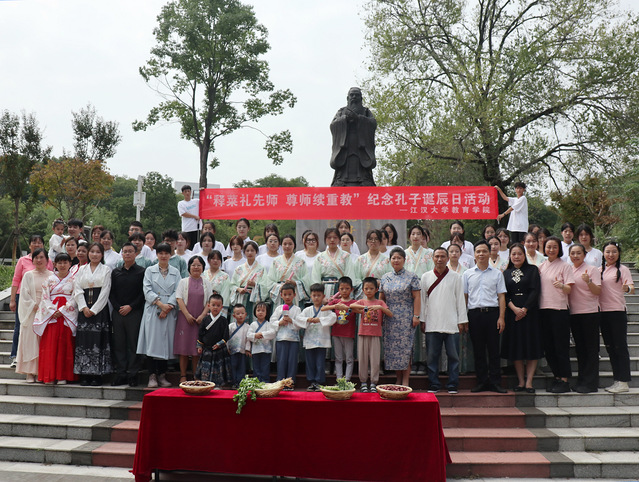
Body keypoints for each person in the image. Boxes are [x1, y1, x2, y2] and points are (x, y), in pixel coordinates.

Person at [419, 247, 467, 394]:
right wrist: (422, 320)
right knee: (432, 356)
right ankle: (434, 384)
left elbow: (460, 300)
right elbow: (422, 301)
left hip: (452, 322)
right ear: (433, 258)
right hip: (432, 322)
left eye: (442, 256)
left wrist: (462, 320)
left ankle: (453, 384)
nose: (439, 259)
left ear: (447, 258)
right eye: (437, 256)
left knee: (453, 356)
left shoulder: (456, 277)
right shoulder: (425, 277)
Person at [463, 240, 507, 393]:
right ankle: (481, 381)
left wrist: (501, 317)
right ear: (474, 254)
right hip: (474, 315)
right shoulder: (467, 274)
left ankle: (495, 382)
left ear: (489, 253)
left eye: (484, 251)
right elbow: (465, 297)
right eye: (478, 251)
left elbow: (501, 297)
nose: (481, 254)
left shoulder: (497, 273)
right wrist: (464, 319)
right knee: (478, 350)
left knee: (494, 350)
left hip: (492, 314)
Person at [137, 243, 181, 388]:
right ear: (156, 254)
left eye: (166, 253)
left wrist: (168, 307)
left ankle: (162, 375)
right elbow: (147, 290)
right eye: (160, 253)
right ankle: (152, 375)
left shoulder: (175, 272)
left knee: (165, 343)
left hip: (169, 310)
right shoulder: (150, 271)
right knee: (152, 343)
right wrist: (161, 305)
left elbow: (177, 290)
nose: (163, 256)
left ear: (170, 254)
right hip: (153, 309)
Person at [500, 243, 542, 393]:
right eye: (513, 254)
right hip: (512, 314)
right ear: (510, 256)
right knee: (516, 347)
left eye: (519, 254)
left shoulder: (533, 270)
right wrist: (514, 309)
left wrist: (524, 309)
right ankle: (521, 381)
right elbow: (504, 294)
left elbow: (535, 290)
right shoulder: (506, 273)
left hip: (530, 313)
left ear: (524, 255)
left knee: (531, 346)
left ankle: (529, 382)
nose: (516, 257)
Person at [9, 235, 54, 369]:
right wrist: (12, 300)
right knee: (20, 326)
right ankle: (15, 356)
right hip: (24, 298)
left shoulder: (48, 261)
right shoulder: (23, 260)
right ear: (29, 245)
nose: (37, 244)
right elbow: (16, 280)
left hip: (44, 303)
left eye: (39, 242)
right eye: (34, 242)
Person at [32, 252, 77, 384]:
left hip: (67, 314)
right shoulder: (49, 280)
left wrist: (63, 310)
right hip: (51, 314)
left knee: (65, 344)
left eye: (65, 262)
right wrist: (52, 310)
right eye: (59, 263)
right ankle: (50, 375)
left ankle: (63, 375)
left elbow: (75, 297)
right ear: (55, 264)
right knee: (50, 344)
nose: (62, 265)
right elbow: (45, 297)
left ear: (70, 264)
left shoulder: (74, 280)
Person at [379, 248, 421, 387]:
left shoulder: (412, 276)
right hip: (389, 318)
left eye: (399, 258)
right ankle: (398, 378)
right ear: (390, 260)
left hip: (406, 317)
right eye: (393, 258)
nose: (396, 260)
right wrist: (381, 316)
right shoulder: (385, 277)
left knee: (405, 348)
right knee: (393, 350)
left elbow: (417, 297)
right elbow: (381, 298)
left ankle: (406, 380)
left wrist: (416, 316)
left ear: (404, 260)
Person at [73, 243, 113, 386]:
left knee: (98, 340)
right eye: (92, 252)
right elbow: (77, 289)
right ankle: (84, 374)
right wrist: (84, 307)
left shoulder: (106, 270)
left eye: (98, 252)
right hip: (84, 308)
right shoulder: (81, 269)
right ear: (88, 253)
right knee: (84, 341)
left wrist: (94, 309)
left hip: (100, 310)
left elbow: (105, 291)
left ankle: (97, 374)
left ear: (102, 254)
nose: (95, 254)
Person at [539, 236, 575, 393]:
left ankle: (565, 379)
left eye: (554, 247)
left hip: (559, 310)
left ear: (559, 249)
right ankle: (557, 377)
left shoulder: (565, 266)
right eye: (548, 247)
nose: (551, 250)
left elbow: (569, 289)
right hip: (543, 309)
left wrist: (561, 285)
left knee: (561, 346)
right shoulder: (540, 266)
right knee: (548, 347)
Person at [599, 241, 635, 393]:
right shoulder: (599, 270)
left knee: (620, 347)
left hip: (617, 312)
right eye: (608, 251)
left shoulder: (623, 269)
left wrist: (627, 288)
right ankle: (617, 380)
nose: (611, 254)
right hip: (602, 312)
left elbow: (632, 289)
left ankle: (624, 382)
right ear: (603, 254)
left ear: (619, 253)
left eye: (614, 251)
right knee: (610, 347)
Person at [110, 242, 146, 387]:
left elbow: (142, 293)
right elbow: (111, 293)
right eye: (125, 251)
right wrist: (118, 307)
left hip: (134, 312)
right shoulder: (115, 272)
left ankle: (133, 374)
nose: (127, 254)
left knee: (133, 343)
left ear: (136, 254)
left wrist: (131, 307)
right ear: (122, 254)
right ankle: (121, 373)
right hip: (118, 312)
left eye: (130, 251)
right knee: (119, 344)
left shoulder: (142, 272)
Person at [15, 248, 53, 382]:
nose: (39, 260)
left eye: (42, 257)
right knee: (30, 341)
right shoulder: (28, 275)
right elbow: (24, 294)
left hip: (46, 313)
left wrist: (46, 307)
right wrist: (33, 305)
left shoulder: (52, 275)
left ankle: (41, 372)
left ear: (47, 260)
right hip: (31, 311)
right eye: (36, 258)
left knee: (43, 342)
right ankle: (30, 372)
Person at [568, 244, 601, 393]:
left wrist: (589, 281)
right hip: (574, 313)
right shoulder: (569, 270)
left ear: (584, 255)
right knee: (580, 349)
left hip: (590, 313)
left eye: (578, 253)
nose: (575, 256)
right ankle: (582, 380)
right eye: (573, 253)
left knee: (591, 348)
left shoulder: (592, 269)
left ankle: (591, 383)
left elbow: (598, 291)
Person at [329, 87, 377, 187]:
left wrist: (359, 118)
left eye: (357, 95)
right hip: (345, 146)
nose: (354, 97)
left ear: (361, 98)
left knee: (362, 169)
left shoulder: (366, 111)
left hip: (361, 147)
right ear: (348, 98)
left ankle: (364, 178)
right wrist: (345, 119)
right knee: (344, 166)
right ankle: (341, 179)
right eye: (352, 95)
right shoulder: (342, 111)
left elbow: (372, 124)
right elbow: (333, 125)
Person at [175, 255, 211, 384]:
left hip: (200, 320)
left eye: (199, 265)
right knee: (184, 348)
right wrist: (187, 315)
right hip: (185, 319)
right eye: (193, 265)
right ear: (189, 267)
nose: (196, 267)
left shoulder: (207, 283)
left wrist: (202, 316)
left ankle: (196, 376)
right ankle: (183, 375)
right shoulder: (183, 282)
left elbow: (209, 301)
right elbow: (179, 298)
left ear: (203, 267)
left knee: (197, 349)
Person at [350, 277, 391, 392]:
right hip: (362, 334)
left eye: (371, 288)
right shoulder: (362, 302)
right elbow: (352, 306)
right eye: (366, 288)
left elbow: (390, 313)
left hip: (375, 334)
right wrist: (364, 308)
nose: (368, 291)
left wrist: (380, 307)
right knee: (362, 359)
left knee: (375, 359)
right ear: (363, 290)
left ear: (377, 289)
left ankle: (373, 382)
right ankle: (363, 382)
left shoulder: (380, 302)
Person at [295, 284, 337, 391]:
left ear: (323, 296)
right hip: (310, 341)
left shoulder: (326, 309)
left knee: (320, 362)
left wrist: (320, 320)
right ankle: (311, 381)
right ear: (311, 296)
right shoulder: (307, 310)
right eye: (314, 295)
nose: (316, 298)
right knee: (310, 363)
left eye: (319, 295)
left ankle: (319, 381)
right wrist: (307, 319)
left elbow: (333, 318)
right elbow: (298, 319)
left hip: (321, 341)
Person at [260, 235, 309, 307]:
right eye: (285, 244)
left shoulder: (301, 262)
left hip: (295, 293)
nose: (287, 246)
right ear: (281, 245)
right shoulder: (276, 261)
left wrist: (295, 283)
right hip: (280, 293)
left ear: (294, 245)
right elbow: (269, 280)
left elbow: (306, 279)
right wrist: (279, 287)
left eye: (290, 244)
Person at [324, 277, 358, 381]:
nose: (344, 291)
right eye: (342, 289)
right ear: (338, 290)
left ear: (351, 289)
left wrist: (348, 308)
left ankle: (347, 380)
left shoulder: (354, 302)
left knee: (349, 358)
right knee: (338, 358)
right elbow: (323, 308)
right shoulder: (336, 302)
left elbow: (361, 310)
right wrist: (335, 306)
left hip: (348, 334)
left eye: (347, 288)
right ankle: (339, 380)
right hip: (336, 333)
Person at [270, 282, 302, 387]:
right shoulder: (279, 309)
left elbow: (300, 324)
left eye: (290, 294)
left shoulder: (297, 309)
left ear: (294, 295)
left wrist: (291, 320)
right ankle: (281, 382)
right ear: (281, 295)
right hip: (281, 339)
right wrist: (280, 322)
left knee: (292, 362)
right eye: (285, 294)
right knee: (281, 361)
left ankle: (290, 383)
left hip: (293, 340)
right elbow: (272, 321)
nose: (287, 297)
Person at [196, 294, 232, 387]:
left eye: (218, 305)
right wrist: (199, 346)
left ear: (221, 307)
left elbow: (226, 335)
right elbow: (200, 333)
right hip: (207, 349)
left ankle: (218, 385)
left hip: (219, 349)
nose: (215, 307)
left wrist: (219, 344)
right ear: (209, 306)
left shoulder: (223, 320)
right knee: (206, 369)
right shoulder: (205, 320)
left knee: (218, 369)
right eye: (213, 305)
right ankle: (205, 384)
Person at [312, 228, 354, 298]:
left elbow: (349, 274)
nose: (332, 240)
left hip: (341, 290)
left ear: (339, 239)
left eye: (335, 237)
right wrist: (319, 295)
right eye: (329, 237)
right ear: (325, 239)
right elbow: (316, 277)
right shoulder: (320, 257)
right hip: (323, 291)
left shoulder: (346, 256)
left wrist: (345, 291)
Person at [230, 241, 265, 323]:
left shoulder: (261, 269)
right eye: (247, 250)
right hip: (241, 297)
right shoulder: (239, 268)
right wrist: (238, 289)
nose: (250, 253)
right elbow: (232, 285)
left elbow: (265, 286)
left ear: (256, 252)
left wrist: (255, 285)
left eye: (252, 250)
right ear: (244, 252)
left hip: (254, 299)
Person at [247, 302, 276, 383]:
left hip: (266, 350)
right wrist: (255, 335)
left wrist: (262, 334)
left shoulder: (268, 324)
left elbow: (273, 333)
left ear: (267, 313)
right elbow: (248, 335)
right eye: (258, 310)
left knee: (265, 367)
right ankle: (256, 382)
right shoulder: (253, 324)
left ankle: (265, 382)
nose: (260, 312)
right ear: (255, 312)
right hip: (256, 350)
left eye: (263, 311)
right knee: (256, 368)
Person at [227, 304, 252, 388]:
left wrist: (247, 349)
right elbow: (226, 337)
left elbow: (248, 339)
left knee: (242, 367)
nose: (240, 315)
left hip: (242, 351)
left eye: (242, 313)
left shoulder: (248, 327)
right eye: (238, 314)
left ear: (246, 314)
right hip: (232, 351)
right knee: (233, 366)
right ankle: (233, 382)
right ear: (234, 316)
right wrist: (227, 348)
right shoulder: (231, 326)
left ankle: (240, 382)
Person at [203, 250, 231, 316]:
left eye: (218, 259)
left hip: (218, 307)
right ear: (208, 260)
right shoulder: (203, 274)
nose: (215, 261)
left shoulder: (225, 276)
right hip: (203, 305)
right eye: (213, 258)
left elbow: (225, 294)